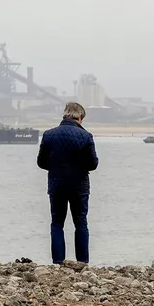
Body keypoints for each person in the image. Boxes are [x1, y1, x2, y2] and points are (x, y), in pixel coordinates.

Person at [37, 102, 99, 265]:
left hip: (56, 184)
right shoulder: (86, 136)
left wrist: (56, 167)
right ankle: (83, 262)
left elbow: (41, 162)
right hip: (79, 185)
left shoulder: (48, 135)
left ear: (64, 115)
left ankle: (58, 262)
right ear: (80, 118)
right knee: (81, 223)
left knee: (57, 223)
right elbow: (93, 164)